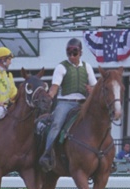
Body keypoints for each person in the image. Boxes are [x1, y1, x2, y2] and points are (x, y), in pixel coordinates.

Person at [39, 38, 97, 171]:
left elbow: (95, 86)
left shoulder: (87, 67)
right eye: (69, 53)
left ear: (80, 52)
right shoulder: (61, 67)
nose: (72, 56)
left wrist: (92, 90)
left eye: (74, 53)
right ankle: (47, 153)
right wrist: (50, 96)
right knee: (56, 124)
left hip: (83, 103)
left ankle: (105, 155)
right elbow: (55, 86)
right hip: (65, 103)